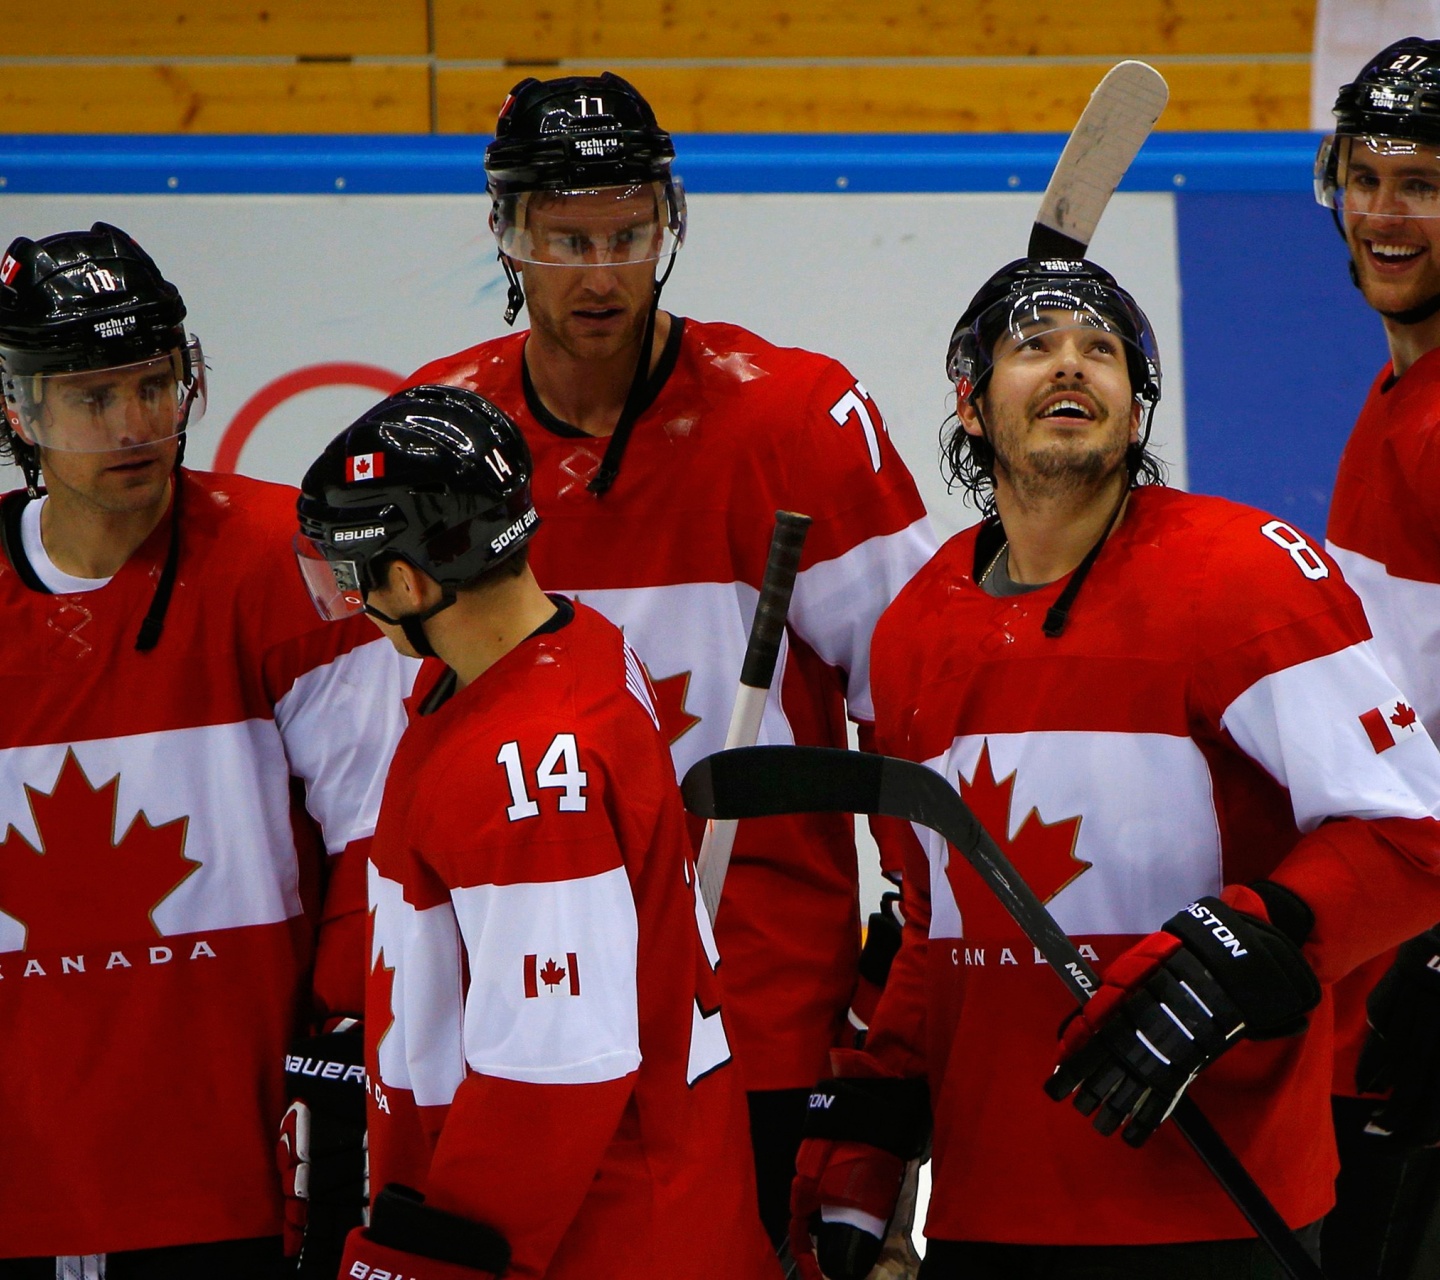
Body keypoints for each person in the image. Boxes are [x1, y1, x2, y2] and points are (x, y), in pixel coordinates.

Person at [787, 256, 1440, 1280]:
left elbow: (1414, 833)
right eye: (1035, 345)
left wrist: (1255, 939)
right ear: (970, 401)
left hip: (1218, 1205)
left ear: (1136, 413)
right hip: (987, 1209)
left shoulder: (1247, 577)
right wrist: (876, 1133)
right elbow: (933, 918)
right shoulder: (913, 627)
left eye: (1104, 351)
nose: (1073, 366)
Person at [406, 71, 937, 1251]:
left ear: (670, 224)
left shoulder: (795, 415)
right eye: (567, 239)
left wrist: (905, 963)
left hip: (761, 1009)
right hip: (518, 1023)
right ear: (507, 233)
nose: (602, 274)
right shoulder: (443, 432)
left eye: (628, 234)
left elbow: (920, 697)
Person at [293, 383, 782, 1279]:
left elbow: (554, 1069)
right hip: (646, 1202)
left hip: (600, 1241)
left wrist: (435, 1264)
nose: (350, 600)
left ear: (410, 580)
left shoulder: (522, 766)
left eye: (352, 572)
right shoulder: (574, 643)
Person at [0, 223, 413, 1277]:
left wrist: (345, 1033)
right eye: (95, 396)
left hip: (234, 1172)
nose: (136, 424)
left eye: (157, 384)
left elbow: (381, 831)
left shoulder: (287, 566)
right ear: (18, 407)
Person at [1315, 36, 1440, 1279]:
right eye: (1368, 177)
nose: (1387, 214)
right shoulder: (1398, 390)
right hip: (1388, 951)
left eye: (1425, 182)